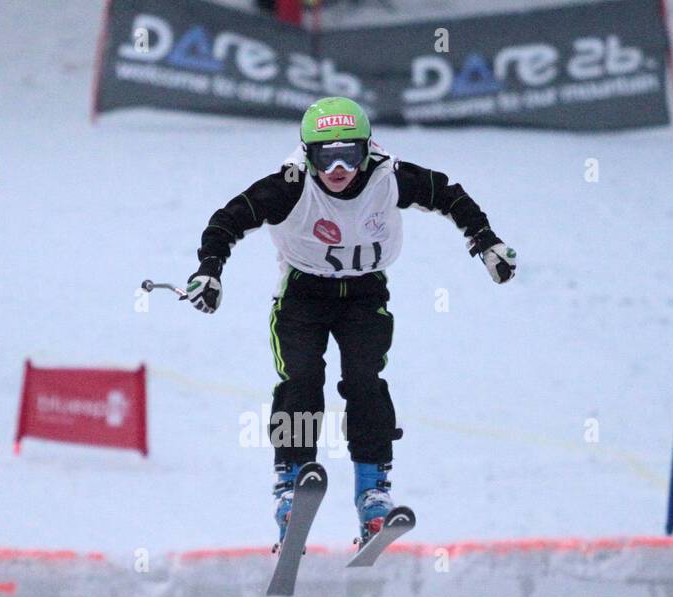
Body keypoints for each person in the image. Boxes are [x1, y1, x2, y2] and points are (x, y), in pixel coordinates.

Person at [187, 96, 515, 547]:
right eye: (326, 155)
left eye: (349, 154)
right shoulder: (291, 184)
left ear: (367, 150)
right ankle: (290, 481)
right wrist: (209, 269)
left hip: (364, 294)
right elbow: (229, 220)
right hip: (302, 294)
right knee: (300, 377)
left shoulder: (389, 176)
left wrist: (485, 242)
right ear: (308, 154)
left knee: (364, 379)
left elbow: (449, 196)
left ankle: (373, 491)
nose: (338, 168)